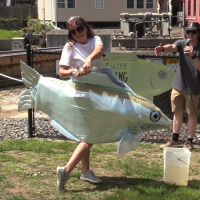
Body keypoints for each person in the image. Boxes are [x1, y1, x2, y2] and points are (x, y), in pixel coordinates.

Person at [57, 16, 104, 191]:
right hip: (82, 92)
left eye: (79, 29)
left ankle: (85, 171)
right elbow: (62, 71)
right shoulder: (69, 47)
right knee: (92, 133)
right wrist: (74, 70)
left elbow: (99, 50)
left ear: (85, 27)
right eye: (73, 31)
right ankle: (66, 171)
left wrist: (88, 60)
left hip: (100, 90)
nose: (77, 33)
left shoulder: (94, 40)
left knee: (87, 134)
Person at [154, 22, 200, 150]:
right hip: (178, 86)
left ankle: (189, 141)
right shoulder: (182, 43)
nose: (190, 34)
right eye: (188, 32)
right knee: (177, 112)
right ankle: (175, 139)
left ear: (198, 33)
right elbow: (172, 47)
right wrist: (163, 49)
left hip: (193, 88)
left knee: (191, 114)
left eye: (194, 32)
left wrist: (193, 55)